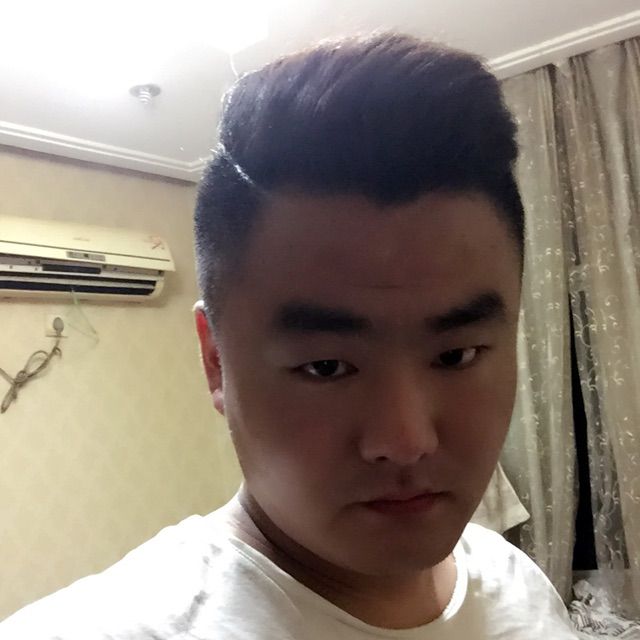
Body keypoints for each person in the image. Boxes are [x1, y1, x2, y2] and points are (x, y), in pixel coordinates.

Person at [0, 32, 579, 639]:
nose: (405, 441)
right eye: (326, 366)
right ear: (215, 359)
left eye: (456, 355)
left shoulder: (521, 586)